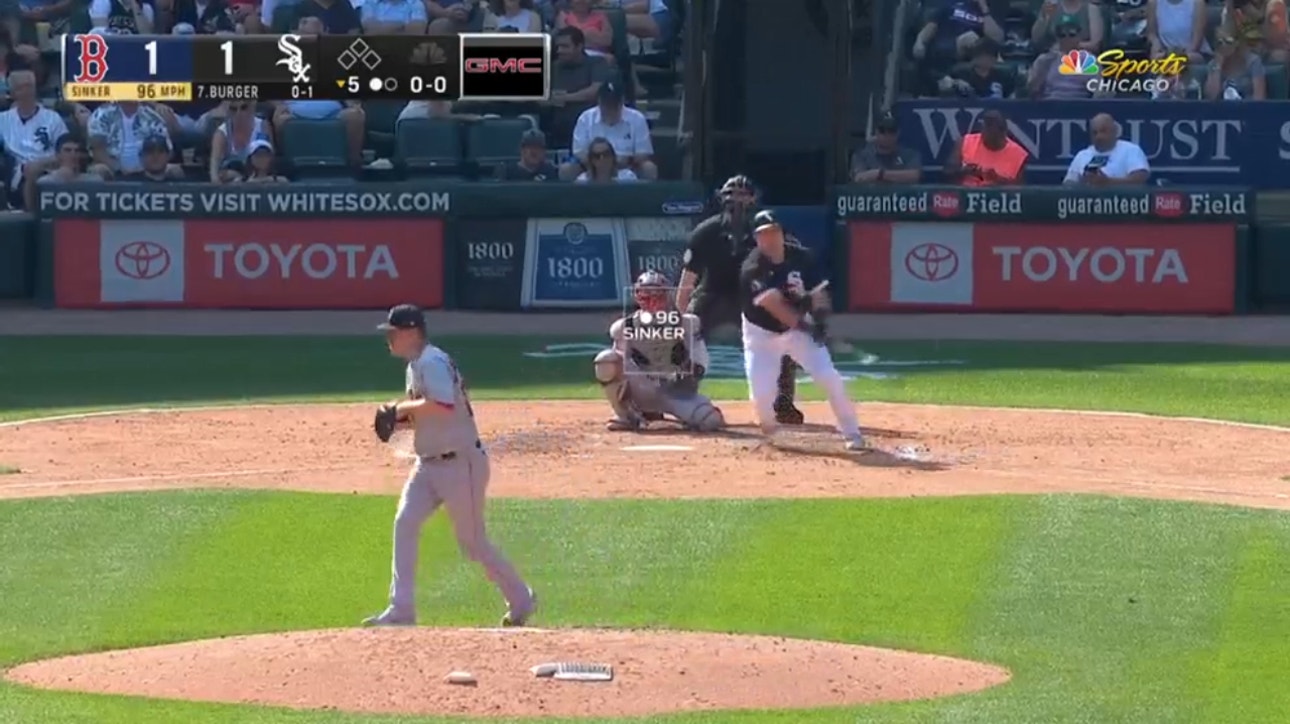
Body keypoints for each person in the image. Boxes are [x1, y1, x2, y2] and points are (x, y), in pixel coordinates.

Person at [363, 304, 537, 628]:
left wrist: (399, 410)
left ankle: (521, 598)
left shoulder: (432, 361)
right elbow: (427, 414)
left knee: (472, 544)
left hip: (461, 465)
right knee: (405, 523)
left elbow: (443, 406)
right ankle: (401, 609)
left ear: (411, 331)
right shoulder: (415, 366)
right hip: (428, 465)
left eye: (392, 332)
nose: (388, 338)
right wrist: (399, 422)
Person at [675, 175, 805, 425]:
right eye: (731, 194)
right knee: (684, 331)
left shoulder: (767, 232)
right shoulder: (707, 231)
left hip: (752, 296)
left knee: (784, 335)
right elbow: (687, 281)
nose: (736, 200)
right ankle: (678, 396)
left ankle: (784, 402)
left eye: (743, 194)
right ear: (720, 197)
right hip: (711, 294)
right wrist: (676, 319)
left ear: (754, 198)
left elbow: (784, 273)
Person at [739, 211, 865, 452]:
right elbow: (775, 306)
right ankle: (771, 433)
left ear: (782, 232)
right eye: (764, 233)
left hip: (797, 330)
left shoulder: (802, 257)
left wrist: (820, 319)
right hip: (761, 335)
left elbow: (819, 294)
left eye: (774, 231)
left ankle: (852, 433)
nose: (770, 238)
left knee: (830, 378)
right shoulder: (752, 268)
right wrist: (808, 326)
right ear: (756, 238)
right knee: (762, 397)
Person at [593, 270, 725, 432]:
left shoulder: (687, 323)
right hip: (642, 387)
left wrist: (691, 372)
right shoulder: (624, 327)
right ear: (637, 296)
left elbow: (700, 358)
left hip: (676, 392)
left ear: (666, 296)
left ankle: (681, 415)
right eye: (646, 295)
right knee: (606, 360)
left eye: (657, 295)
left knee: (710, 421)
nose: (652, 301)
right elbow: (619, 363)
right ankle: (626, 415)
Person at [0, 69, 68, 209]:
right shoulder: (3, 119)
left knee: (34, 171)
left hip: (48, 169)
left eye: (29, 86)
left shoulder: (52, 118)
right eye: (21, 88)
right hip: (14, 171)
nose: (26, 91)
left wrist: (40, 164)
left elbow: (65, 151)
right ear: (12, 93)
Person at [562, 81, 656, 180]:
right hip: (592, 166)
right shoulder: (585, 118)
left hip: (627, 166)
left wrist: (616, 162)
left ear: (622, 101)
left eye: (614, 105)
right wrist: (600, 162)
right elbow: (579, 152)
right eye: (607, 104)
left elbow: (643, 153)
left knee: (649, 168)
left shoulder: (637, 118)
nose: (610, 108)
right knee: (566, 169)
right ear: (599, 101)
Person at [943, 109, 1027, 186]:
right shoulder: (965, 142)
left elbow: (1020, 192)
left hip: (999, 199)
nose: (985, 135)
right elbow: (946, 174)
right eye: (984, 129)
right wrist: (965, 171)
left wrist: (997, 180)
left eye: (992, 133)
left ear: (1003, 133)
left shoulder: (1018, 155)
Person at [1063, 113, 1151, 185]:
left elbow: (1140, 179)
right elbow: (1068, 184)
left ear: (1115, 131)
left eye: (1103, 131)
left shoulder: (1131, 150)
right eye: (1095, 133)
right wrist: (1084, 183)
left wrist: (1108, 183)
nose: (1099, 136)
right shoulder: (1082, 155)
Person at [1027, 20, 1096, 99]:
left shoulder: (1089, 60)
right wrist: (1043, 69)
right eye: (1062, 35)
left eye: (1072, 35)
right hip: (1050, 104)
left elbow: (1098, 91)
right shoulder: (1044, 60)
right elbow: (1032, 91)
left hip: (1079, 104)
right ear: (1057, 38)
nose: (1067, 39)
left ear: (1079, 37)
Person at [209, 100, 272, 183]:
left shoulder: (263, 127)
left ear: (252, 107)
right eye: (233, 109)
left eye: (244, 108)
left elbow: (270, 162)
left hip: (259, 180)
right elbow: (214, 173)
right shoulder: (221, 134)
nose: (238, 113)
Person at [850, 112, 922, 184]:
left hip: (900, 194)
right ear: (876, 132)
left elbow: (914, 176)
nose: (887, 135)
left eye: (891, 131)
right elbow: (859, 178)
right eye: (882, 131)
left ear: (898, 133)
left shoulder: (910, 155)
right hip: (872, 194)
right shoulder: (861, 155)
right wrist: (897, 177)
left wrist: (879, 174)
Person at [1205, 31, 1267, 99]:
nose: (1224, 45)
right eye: (1219, 42)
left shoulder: (1253, 62)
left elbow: (1259, 97)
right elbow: (1211, 97)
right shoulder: (1214, 65)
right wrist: (1218, 66)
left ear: (1237, 42)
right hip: (1221, 108)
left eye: (1228, 41)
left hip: (1248, 108)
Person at [1147, 0, 1211, 64]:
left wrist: (1179, 56)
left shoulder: (1197, 3)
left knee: (1185, 58)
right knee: (1156, 58)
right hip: (1166, 53)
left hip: (1194, 53)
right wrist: (1156, 44)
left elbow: (1197, 41)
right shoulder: (1153, 3)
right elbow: (1152, 34)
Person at [949, 39, 1014, 98]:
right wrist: (955, 83)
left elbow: (1010, 98)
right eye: (981, 56)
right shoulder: (960, 73)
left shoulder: (1003, 76)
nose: (986, 60)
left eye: (990, 57)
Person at [1032, 0, 1102, 52]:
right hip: (1055, 57)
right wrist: (1043, 18)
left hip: (1083, 58)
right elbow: (1036, 38)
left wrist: (1068, 46)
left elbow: (1095, 45)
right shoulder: (1052, 6)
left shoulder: (1091, 8)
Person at [36, 133, 105, 185]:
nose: (73, 155)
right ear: (58, 155)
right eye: (67, 150)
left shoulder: (94, 181)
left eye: (77, 151)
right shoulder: (45, 183)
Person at [120, 134, 185, 181]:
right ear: (141, 157)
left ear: (169, 155)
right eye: (150, 152)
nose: (155, 156)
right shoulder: (131, 182)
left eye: (160, 152)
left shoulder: (178, 183)